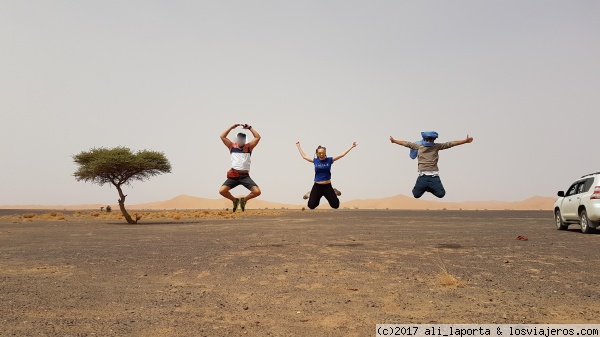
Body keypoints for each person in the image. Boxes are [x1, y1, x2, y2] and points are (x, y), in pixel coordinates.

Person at [389, 131, 473, 199]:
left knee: (441, 194)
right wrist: (394, 141)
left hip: (434, 176)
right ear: (424, 139)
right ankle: (426, 187)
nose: (429, 141)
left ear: (433, 140)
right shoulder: (418, 146)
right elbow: (407, 143)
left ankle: (429, 188)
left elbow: (450, 144)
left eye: (431, 140)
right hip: (422, 176)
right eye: (427, 139)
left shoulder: (437, 146)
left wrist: (465, 141)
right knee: (416, 195)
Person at [296, 141, 358, 209]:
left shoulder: (329, 160)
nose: (321, 154)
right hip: (317, 186)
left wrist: (351, 147)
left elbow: (341, 155)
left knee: (335, 205)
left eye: (323, 153)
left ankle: (334, 191)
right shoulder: (315, 161)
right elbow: (304, 156)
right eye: (320, 153)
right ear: (317, 154)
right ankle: (310, 194)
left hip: (327, 186)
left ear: (325, 153)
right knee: (311, 206)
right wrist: (298, 146)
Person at [219, 124, 262, 212]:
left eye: (242, 140)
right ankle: (235, 200)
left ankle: (244, 200)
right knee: (222, 191)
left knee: (257, 192)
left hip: (245, 176)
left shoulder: (249, 147)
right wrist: (231, 127)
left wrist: (250, 128)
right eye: (239, 139)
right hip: (234, 175)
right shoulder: (232, 146)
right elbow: (222, 136)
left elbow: (257, 137)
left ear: (245, 140)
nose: (240, 141)